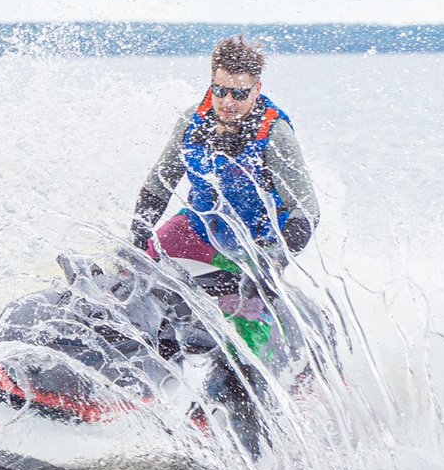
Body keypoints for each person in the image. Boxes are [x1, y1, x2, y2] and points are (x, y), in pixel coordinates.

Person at [126, 34, 320, 444]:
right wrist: (135, 240)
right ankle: (143, 365)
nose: (228, 102)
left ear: (256, 89)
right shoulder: (191, 121)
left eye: (239, 93)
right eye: (219, 90)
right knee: (143, 261)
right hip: (197, 229)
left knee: (245, 321)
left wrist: (271, 266)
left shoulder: (275, 133)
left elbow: (307, 213)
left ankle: (238, 404)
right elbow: (157, 188)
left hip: (255, 245)